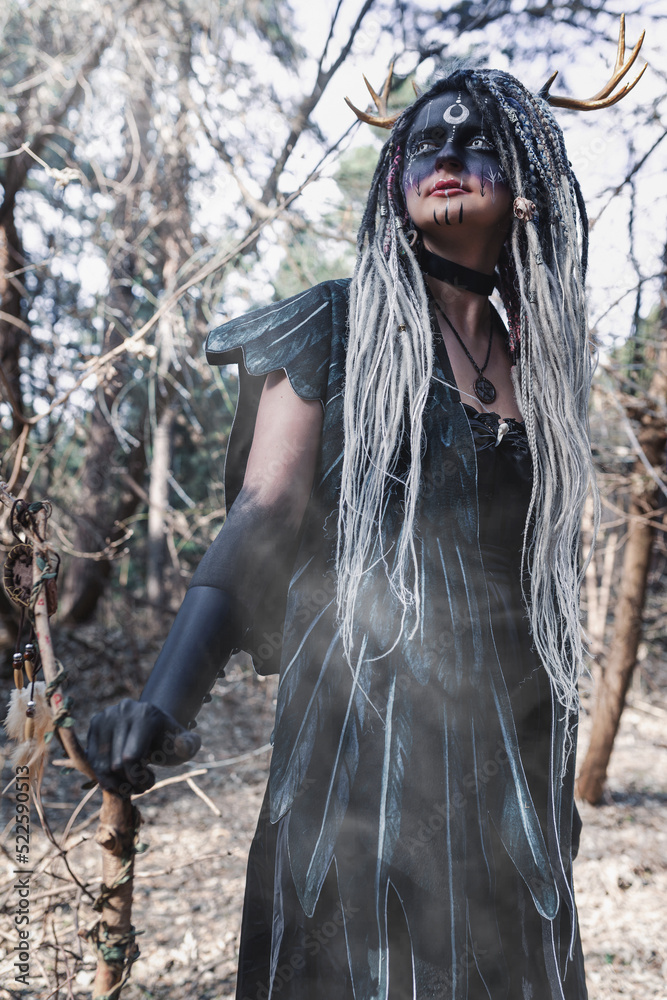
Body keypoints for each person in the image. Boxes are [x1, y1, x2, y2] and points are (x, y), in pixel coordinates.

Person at [87, 50, 644, 999]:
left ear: (527, 190)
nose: (447, 151)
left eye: (477, 142)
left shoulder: (542, 375)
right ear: (392, 183)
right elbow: (262, 518)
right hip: (363, 749)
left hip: (510, 758)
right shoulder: (333, 330)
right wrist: (164, 703)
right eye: (425, 139)